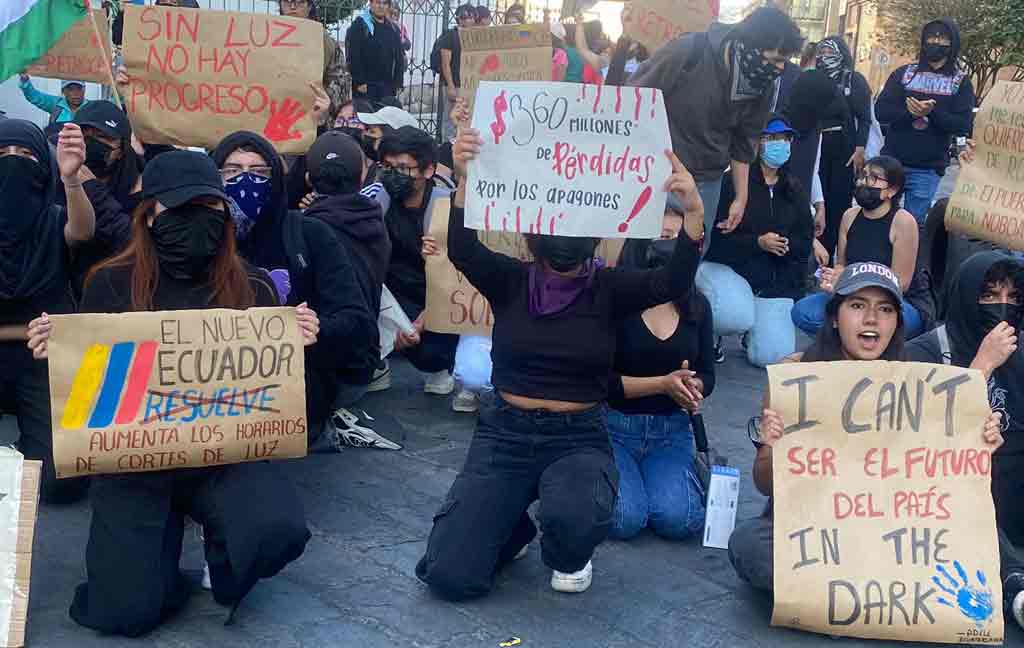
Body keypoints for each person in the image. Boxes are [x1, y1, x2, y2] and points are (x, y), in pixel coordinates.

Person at [415, 100, 704, 599]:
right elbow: (463, 249)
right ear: (532, 235)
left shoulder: (612, 289)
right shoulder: (509, 279)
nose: (564, 238)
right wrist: (465, 178)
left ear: (595, 237)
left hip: (577, 438)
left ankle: (569, 543)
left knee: (573, 526)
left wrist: (694, 210)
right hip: (505, 433)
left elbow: (673, 278)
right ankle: (511, 525)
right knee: (449, 576)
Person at [25, 150, 313, 637]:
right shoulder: (111, 283)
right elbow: (89, 385)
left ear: (224, 216)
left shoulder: (254, 286)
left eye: (209, 209)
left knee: (276, 529)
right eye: (180, 209)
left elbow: (269, 381)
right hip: (134, 464)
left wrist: (299, 338)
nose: (196, 220)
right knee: (124, 612)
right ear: (150, 214)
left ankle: (223, 563)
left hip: (222, 459)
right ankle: (158, 569)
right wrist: (55, 349)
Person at [728, 262, 1005, 593]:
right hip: (812, 529)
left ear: (896, 323)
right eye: (858, 305)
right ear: (835, 316)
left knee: (972, 538)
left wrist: (978, 440)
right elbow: (765, 485)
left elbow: (942, 480)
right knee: (749, 544)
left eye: (885, 309)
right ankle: (851, 596)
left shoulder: (917, 383)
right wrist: (772, 445)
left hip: (886, 531)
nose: (871, 319)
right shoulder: (796, 375)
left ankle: (838, 595)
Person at [210, 131, 376, 449]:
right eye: (232, 171)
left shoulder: (310, 234)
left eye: (258, 173)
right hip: (216, 397)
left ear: (276, 179)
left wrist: (318, 327)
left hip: (293, 394)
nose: (245, 181)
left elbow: (357, 320)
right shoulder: (201, 236)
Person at [904, 252, 1024, 628]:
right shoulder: (921, 352)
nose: (1003, 306)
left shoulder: (1020, 350)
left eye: (1013, 296)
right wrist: (981, 367)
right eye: (989, 296)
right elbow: (914, 442)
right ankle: (1016, 586)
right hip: (950, 497)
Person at [628, 7, 803, 255]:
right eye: (775, 59)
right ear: (750, 45)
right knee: (641, 253)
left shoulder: (762, 83)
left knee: (690, 257)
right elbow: (633, 98)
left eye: (784, 62)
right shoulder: (688, 51)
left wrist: (741, 198)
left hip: (707, 182)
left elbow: (744, 144)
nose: (780, 69)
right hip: (657, 174)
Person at [0, 119, 94, 504]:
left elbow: (83, 231)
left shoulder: (54, 220)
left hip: (43, 360)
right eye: (3, 155)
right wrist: (23, 331)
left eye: (26, 155)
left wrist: (72, 179)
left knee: (60, 479)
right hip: (31, 339)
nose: (14, 163)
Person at [606, 211, 714, 541]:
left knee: (678, 521)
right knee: (625, 519)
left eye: (676, 238)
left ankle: (659, 486)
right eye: (661, 235)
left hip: (671, 431)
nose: (668, 245)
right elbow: (599, 382)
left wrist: (694, 386)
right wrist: (662, 384)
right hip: (614, 426)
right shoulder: (614, 299)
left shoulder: (698, 306)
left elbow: (708, 373)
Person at [302, 130, 400, 448]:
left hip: (331, 382)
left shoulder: (308, 232)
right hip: (364, 369)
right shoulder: (375, 222)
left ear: (308, 179)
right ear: (361, 177)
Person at [703, 115, 811, 365]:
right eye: (772, 138)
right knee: (732, 313)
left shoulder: (794, 187)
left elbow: (804, 241)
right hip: (730, 269)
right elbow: (715, 240)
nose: (780, 144)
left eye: (785, 138)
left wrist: (785, 246)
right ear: (757, 143)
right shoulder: (732, 184)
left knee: (773, 358)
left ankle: (753, 331)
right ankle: (710, 335)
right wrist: (757, 243)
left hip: (773, 282)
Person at [365, 126, 459, 396]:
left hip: (434, 297)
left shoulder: (446, 207)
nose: (395, 175)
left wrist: (423, 320)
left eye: (404, 168)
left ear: (428, 170)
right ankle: (376, 363)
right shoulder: (375, 200)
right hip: (387, 297)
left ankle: (442, 366)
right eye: (388, 166)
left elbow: (459, 281)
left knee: (433, 354)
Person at [792, 156, 922, 338]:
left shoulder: (903, 221)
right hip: (851, 295)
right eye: (863, 175)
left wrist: (854, 285)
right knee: (801, 311)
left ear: (891, 190)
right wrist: (833, 279)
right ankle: (844, 347)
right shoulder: (850, 216)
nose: (863, 182)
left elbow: (901, 284)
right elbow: (842, 265)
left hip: (895, 301)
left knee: (884, 322)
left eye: (873, 178)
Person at [875, 19, 975, 226]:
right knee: (879, 218)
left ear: (952, 43)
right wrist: (910, 113)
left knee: (912, 225)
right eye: (931, 36)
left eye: (942, 38)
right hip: (892, 161)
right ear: (923, 41)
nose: (936, 41)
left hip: (927, 169)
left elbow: (963, 124)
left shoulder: (960, 82)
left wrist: (932, 112)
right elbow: (881, 111)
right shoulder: (904, 74)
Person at [70, 100, 141, 296]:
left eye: (102, 137)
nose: (90, 144)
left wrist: (94, 191)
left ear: (121, 149)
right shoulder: (58, 181)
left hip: (122, 298)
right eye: (82, 136)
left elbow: (137, 247)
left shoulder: (142, 191)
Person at [815, 37, 872, 266]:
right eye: (821, 51)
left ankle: (838, 261)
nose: (823, 56)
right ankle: (818, 258)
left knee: (838, 203)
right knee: (818, 202)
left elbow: (864, 118)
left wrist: (860, 148)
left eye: (829, 51)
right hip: (818, 147)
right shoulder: (815, 79)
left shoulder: (853, 79)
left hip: (843, 150)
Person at [278, 0, 352, 126]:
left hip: (312, 117)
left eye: (299, 2)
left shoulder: (324, 40)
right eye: (287, 2)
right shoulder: (268, 35)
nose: (292, 7)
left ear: (309, 7)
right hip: (274, 112)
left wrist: (325, 103)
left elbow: (341, 82)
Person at [346, 0, 406, 107]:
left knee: (385, 122)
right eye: (378, 2)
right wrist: (359, 82)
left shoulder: (393, 29)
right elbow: (354, 55)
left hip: (387, 88)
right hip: (366, 87)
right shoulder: (360, 24)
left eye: (384, 3)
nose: (381, 6)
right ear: (371, 3)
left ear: (388, 6)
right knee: (366, 121)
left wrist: (398, 82)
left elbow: (399, 57)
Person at [436, 5, 477, 142]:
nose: (468, 21)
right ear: (458, 19)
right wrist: (450, 86)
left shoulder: (474, 37)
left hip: (468, 84)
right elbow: (445, 63)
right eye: (464, 17)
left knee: (465, 119)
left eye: (471, 17)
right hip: (454, 84)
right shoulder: (450, 35)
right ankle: (447, 150)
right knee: (450, 119)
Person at [17, 76, 88, 127]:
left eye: (79, 88)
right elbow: (34, 97)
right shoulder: (56, 104)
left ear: (84, 90)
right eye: (71, 89)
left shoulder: (92, 107)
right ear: (63, 91)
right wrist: (25, 80)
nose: (76, 93)